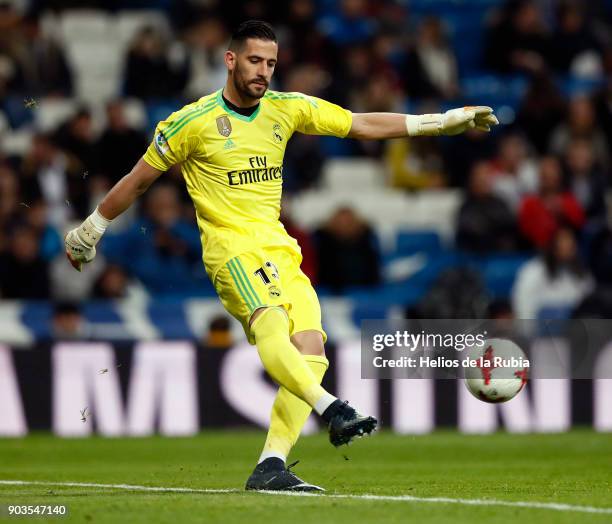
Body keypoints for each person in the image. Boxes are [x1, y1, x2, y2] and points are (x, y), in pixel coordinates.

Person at [64, 21, 498, 492]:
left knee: (312, 348)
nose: (263, 71)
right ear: (230, 60)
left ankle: (271, 464)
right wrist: (93, 227)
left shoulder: (285, 109)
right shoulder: (192, 121)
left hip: (279, 249)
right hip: (230, 249)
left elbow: (360, 123)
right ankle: (332, 409)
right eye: (254, 61)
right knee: (272, 327)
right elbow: (139, 178)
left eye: (271, 63)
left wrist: (441, 122)